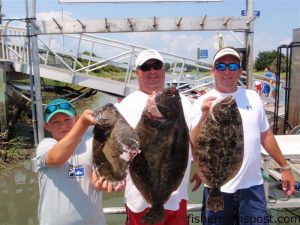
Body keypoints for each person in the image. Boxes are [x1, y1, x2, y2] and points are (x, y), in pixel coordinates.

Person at [190, 47, 295, 225]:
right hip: (218, 187)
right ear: (213, 70)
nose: (227, 71)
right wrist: (203, 116)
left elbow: (266, 135)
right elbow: (194, 141)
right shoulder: (202, 102)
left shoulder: (253, 97)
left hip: (252, 187)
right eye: (221, 66)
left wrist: (285, 167)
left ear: (240, 71)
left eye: (233, 66)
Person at [115, 49, 193, 225]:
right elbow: (114, 148)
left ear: (164, 69)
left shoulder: (185, 103)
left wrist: (203, 169)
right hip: (139, 201)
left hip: (176, 196)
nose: (152, 71)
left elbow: (194, 141)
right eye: (146, 67)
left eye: (157, 65)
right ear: (138, 73)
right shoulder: (125, 106)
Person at [32, 98, 116, 225]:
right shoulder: (45, 146)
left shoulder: (92, 143)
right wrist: (83, 124)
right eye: (56, 122)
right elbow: (56, 158)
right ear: (47, 127)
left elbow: (98, 177)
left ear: (75, 119)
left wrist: (105, 182)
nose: (63, 126)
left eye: (67, 120)